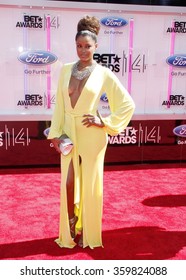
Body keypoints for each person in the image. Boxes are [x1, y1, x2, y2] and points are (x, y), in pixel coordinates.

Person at [48, 15, 135, 249]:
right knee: (68, 183)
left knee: (91, 184)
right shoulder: (65, 70)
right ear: (74, 45)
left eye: (88, 46)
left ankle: (88, 232)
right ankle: (71, 226)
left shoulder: (103, 73)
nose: (83, 50)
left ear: (96, 47)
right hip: (68, 133)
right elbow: (59, 106)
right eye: (79, 46)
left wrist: (104, 121)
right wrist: (55, 134)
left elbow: (127, 104)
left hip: (92, 136)